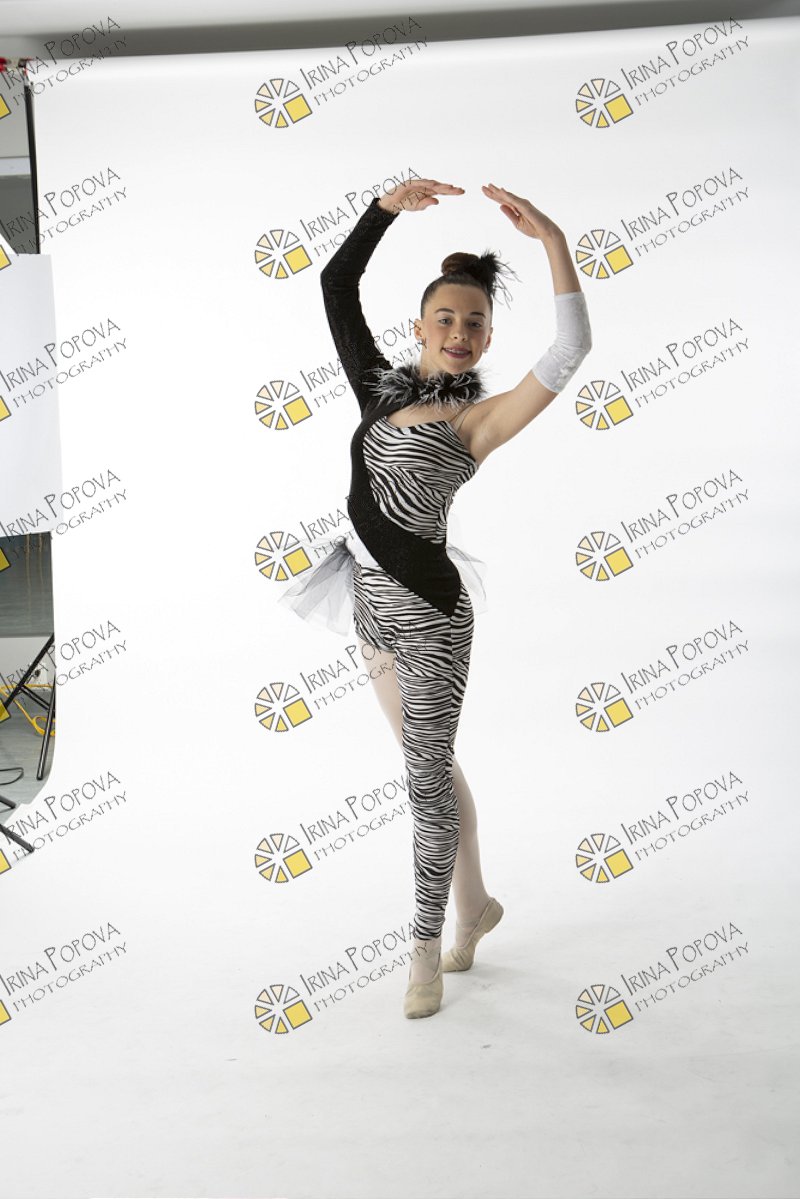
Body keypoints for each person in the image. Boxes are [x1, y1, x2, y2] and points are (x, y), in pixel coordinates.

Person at [279, 178, 592, 1019]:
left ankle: (424, 947)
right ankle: (477, 901)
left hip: (431, 624)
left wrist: (553, 240)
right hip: (369, 611)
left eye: (476, 323)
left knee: (424, 784)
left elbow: (571, 349)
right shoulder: (377, 389)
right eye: (446, 318)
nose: (460, 332)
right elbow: (334, 285)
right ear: (420, 327)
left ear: (488, 335)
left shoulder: (476, 424)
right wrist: (384, 209)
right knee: (434, 768)